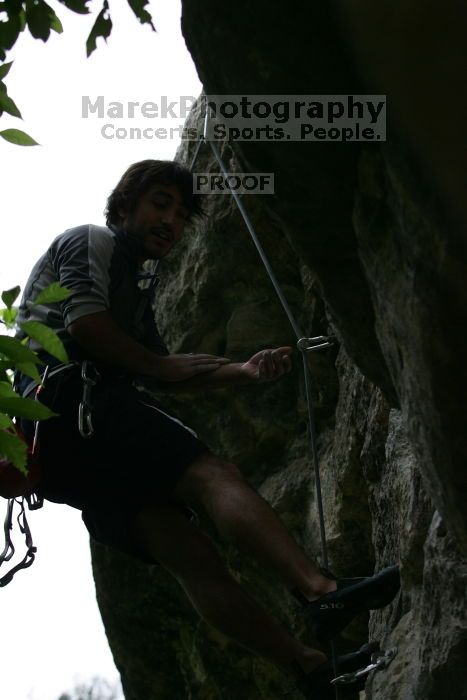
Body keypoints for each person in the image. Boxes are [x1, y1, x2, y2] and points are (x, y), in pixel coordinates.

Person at [14, 160, 400, 698]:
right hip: (73, 402)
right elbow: (87, 326)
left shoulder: (137, 287)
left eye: (180, 213)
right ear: (124, 205)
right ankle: (320, 591)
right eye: (160, 203)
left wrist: (241, 371)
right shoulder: (91, 241)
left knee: (190, 556)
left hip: (61, 453)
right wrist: (158, 368)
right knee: (209, 472)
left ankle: (309, 667)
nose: (171, 220)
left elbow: (162, 368)